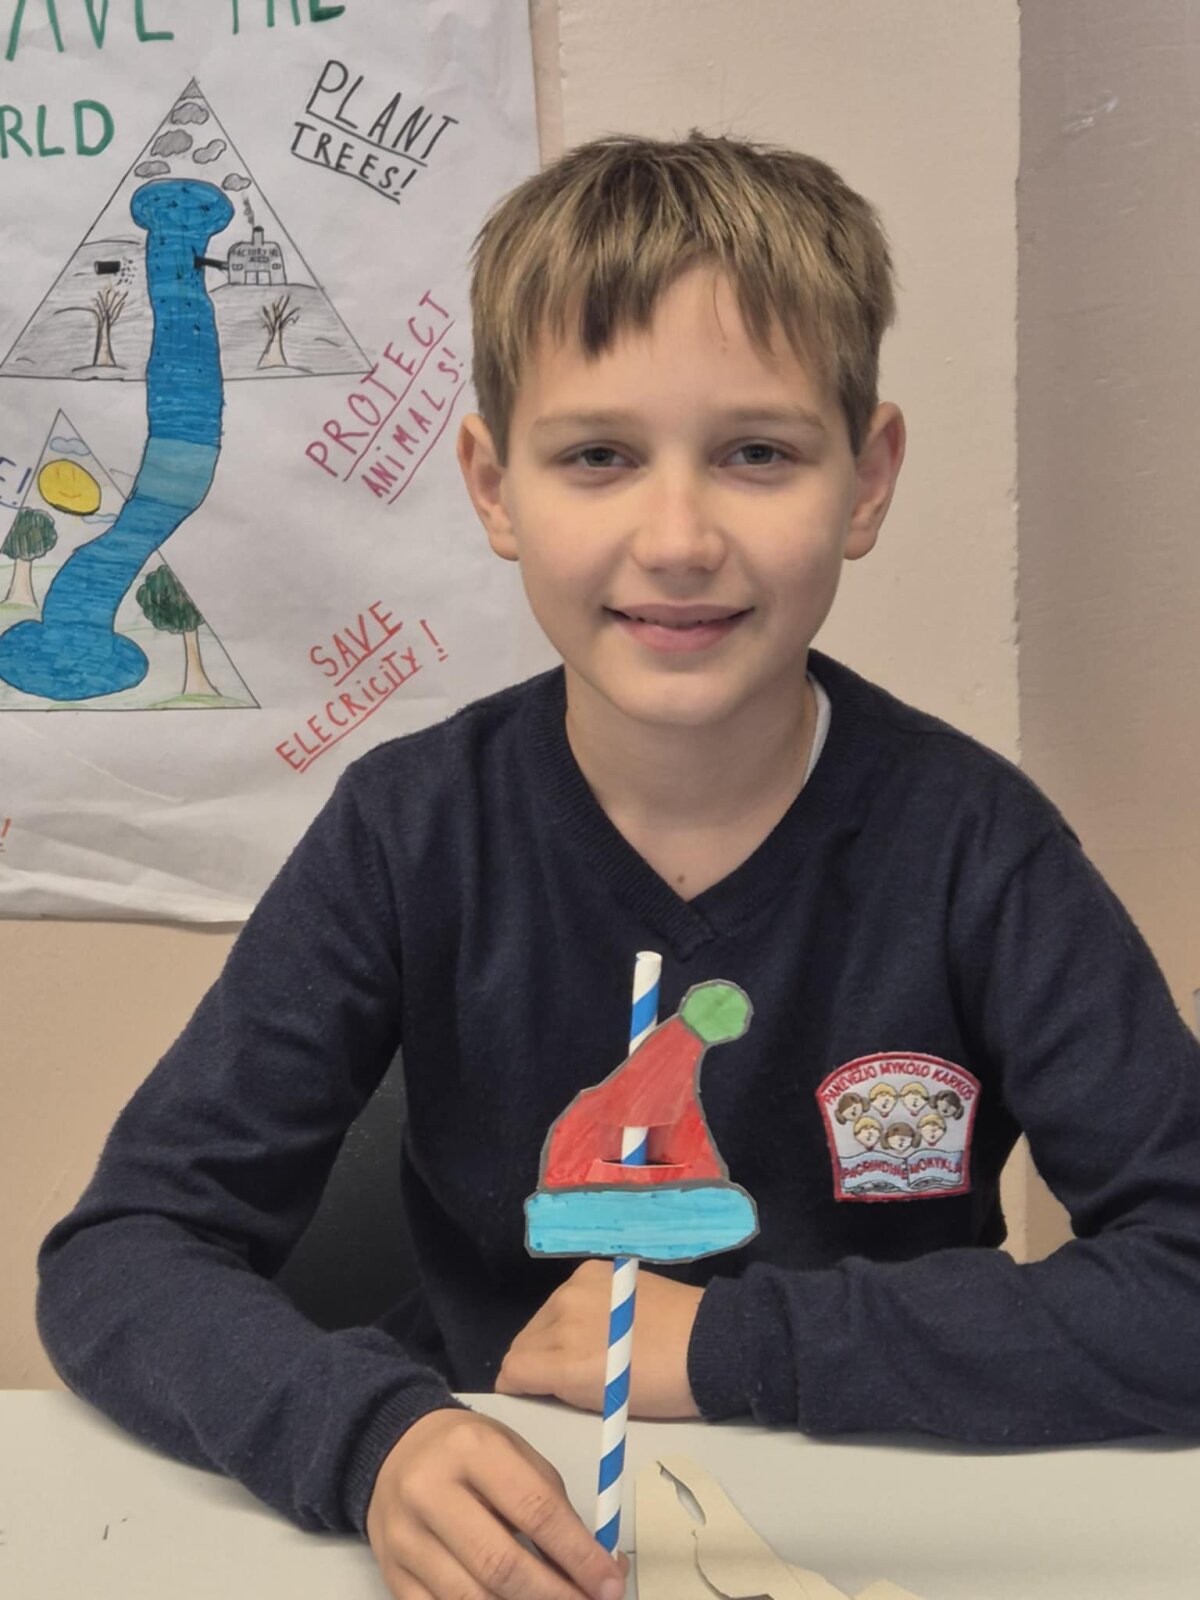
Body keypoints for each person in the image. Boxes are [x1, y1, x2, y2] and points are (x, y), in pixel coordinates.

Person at [36, 131, 1200, 1600]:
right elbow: (122, 1254)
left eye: (758, 453)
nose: (678, 538)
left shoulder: (978, 850)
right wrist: (368, 1438)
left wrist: (733, 1344)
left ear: (866, 479)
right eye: (598, 456)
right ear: (494, 486)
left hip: (874, 1522)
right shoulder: (409, 830)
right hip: (504, 1526)